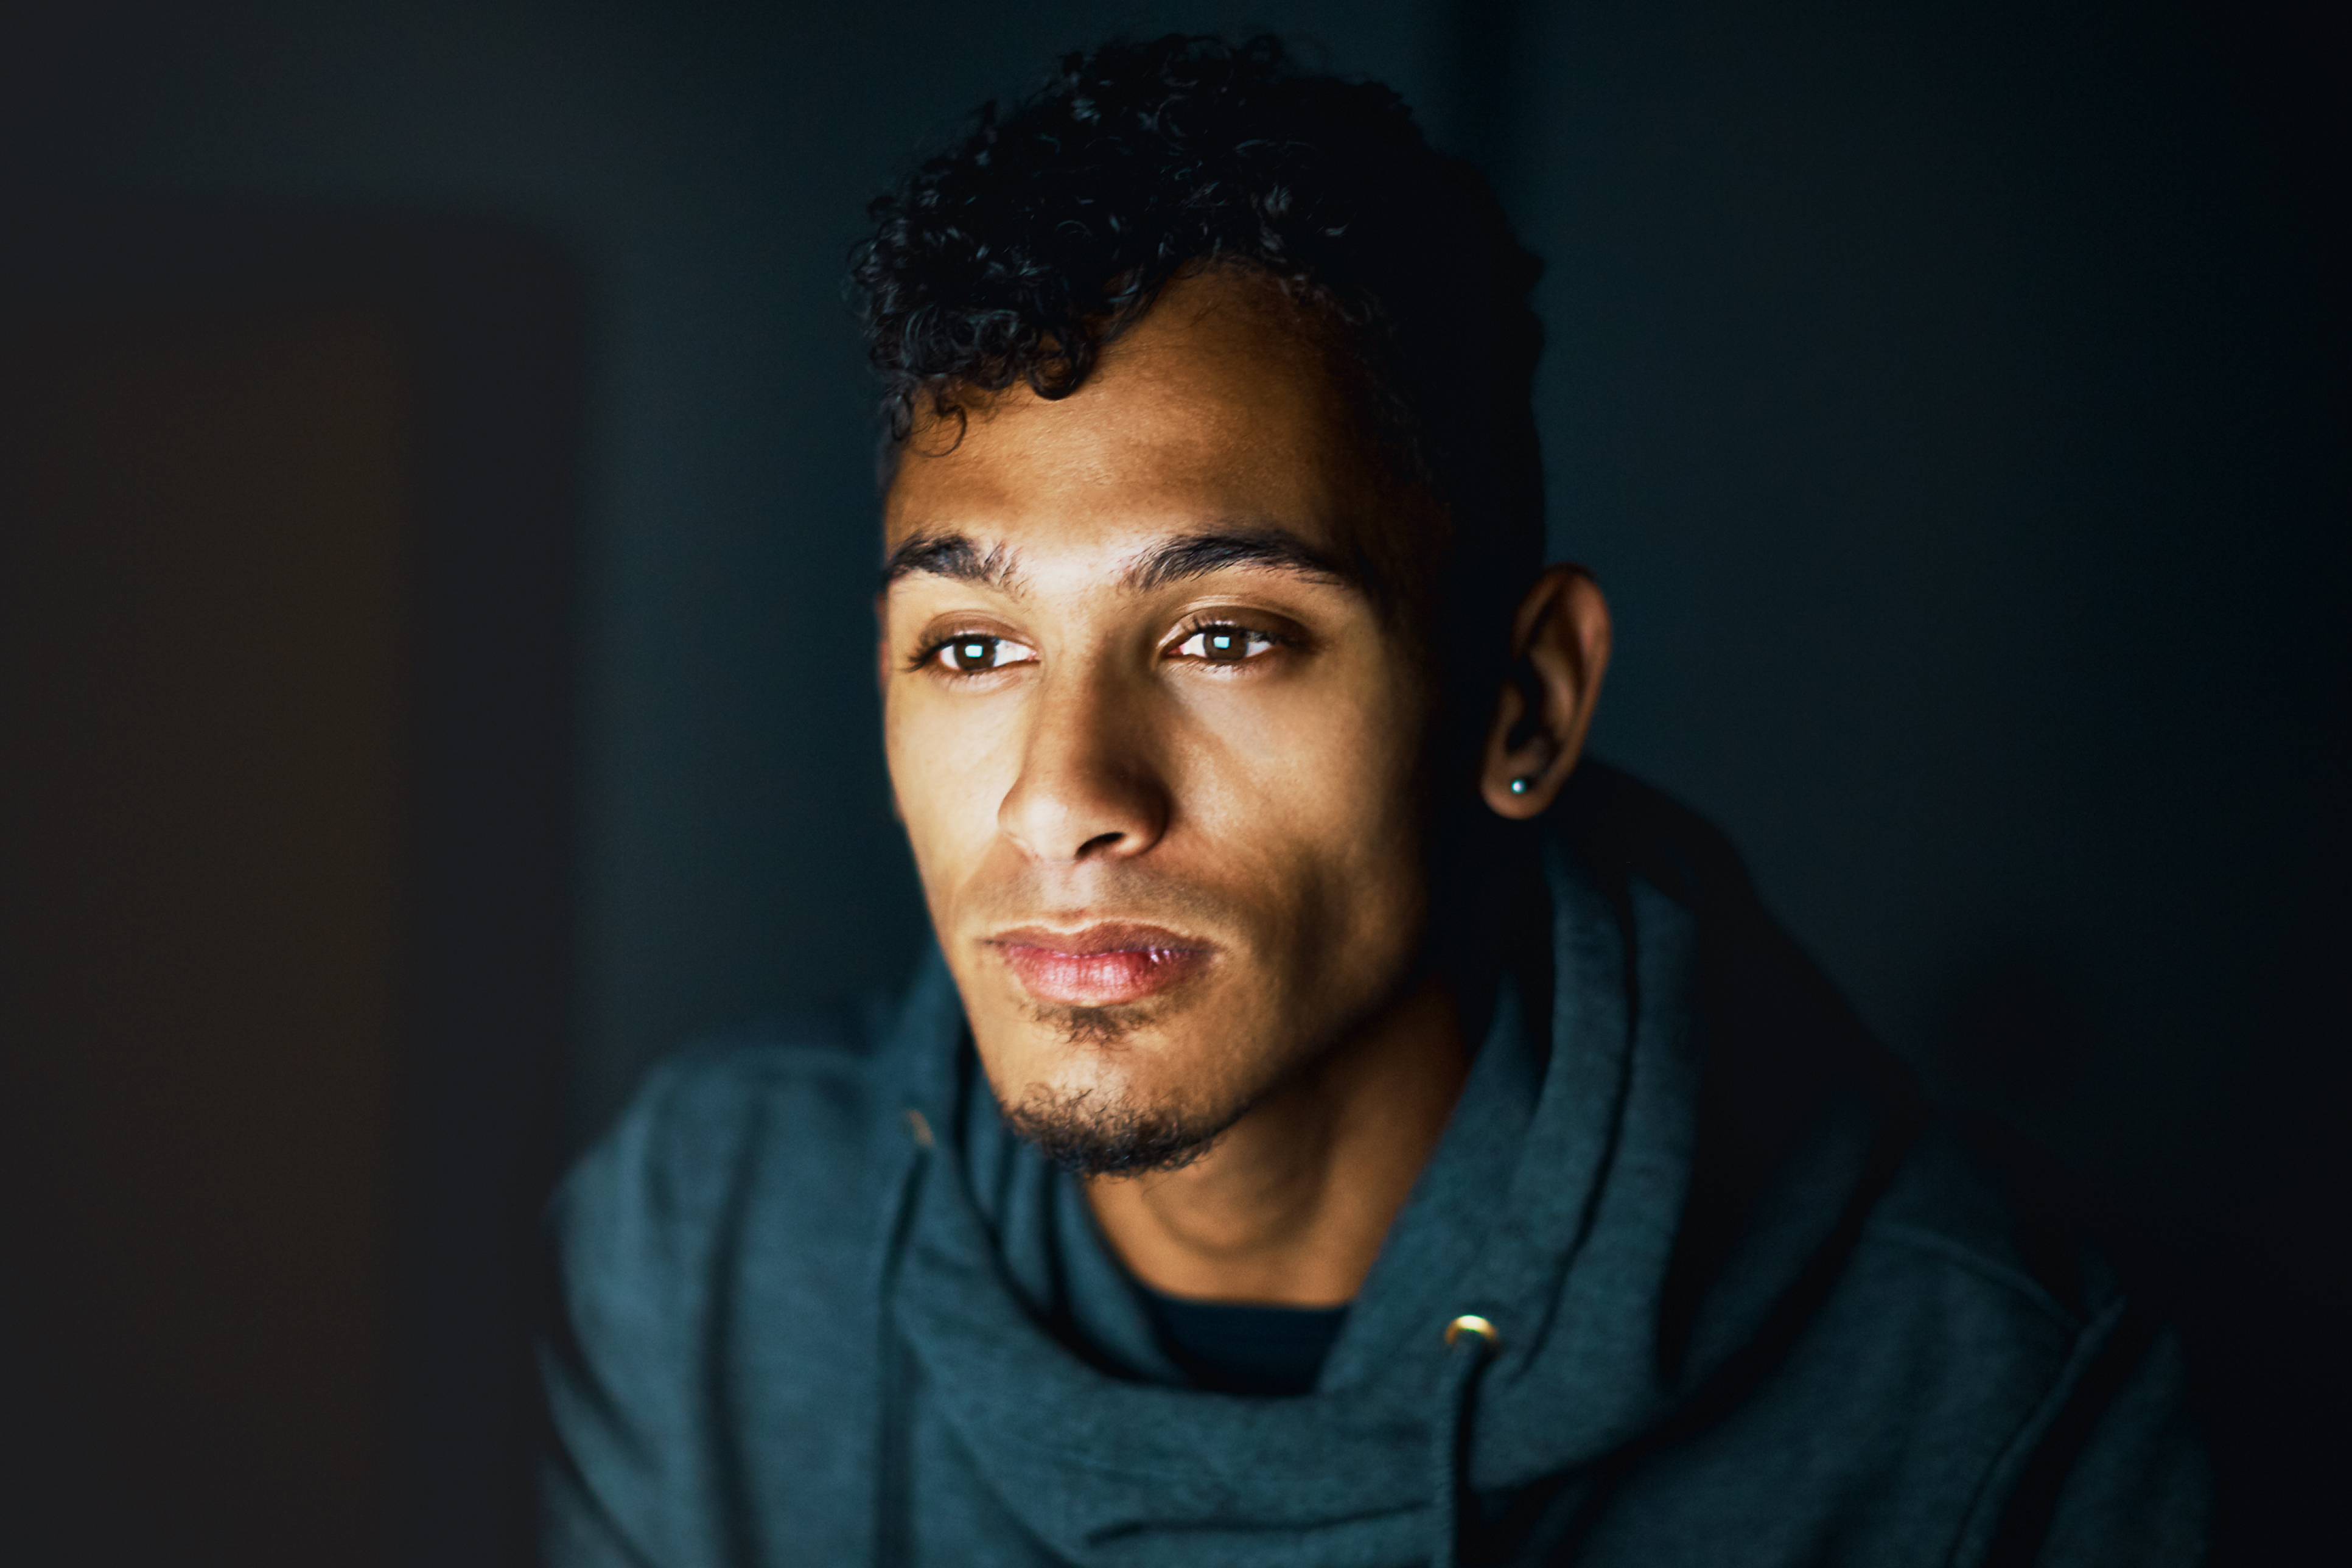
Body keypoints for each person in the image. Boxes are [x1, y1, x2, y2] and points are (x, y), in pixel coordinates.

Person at [537, 35, 2207, 1567]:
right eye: (973, 647)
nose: (1064, 798)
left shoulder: (2005, 1398)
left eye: (1226, 634)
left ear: (1525, 699)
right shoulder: (707, 1237)